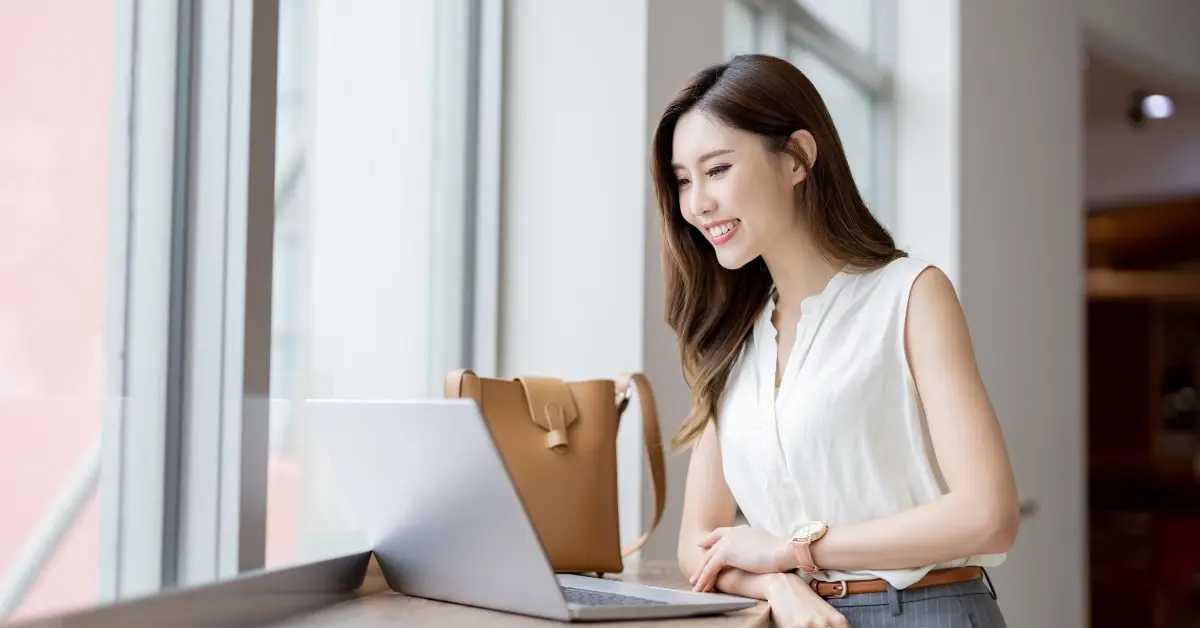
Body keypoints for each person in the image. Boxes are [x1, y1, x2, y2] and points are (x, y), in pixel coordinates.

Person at [651, 54, 1020, 627]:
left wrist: (795, 550)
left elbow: (988, 515)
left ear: (797, 157)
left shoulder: (910, 295)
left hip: (929, 610)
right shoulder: (734, 336)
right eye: (682, 180)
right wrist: (776, 584)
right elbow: (697, 545)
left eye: (717, 169)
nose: (697, 203)